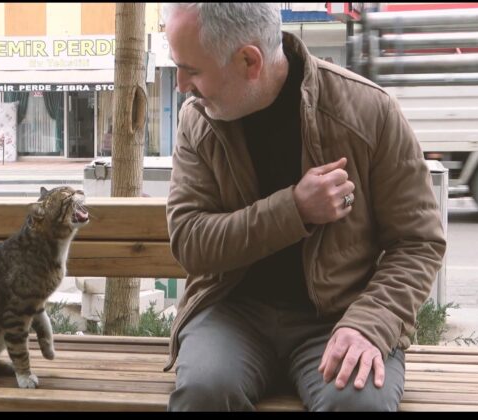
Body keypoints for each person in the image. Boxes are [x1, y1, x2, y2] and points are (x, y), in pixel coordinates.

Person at [161, 3, 446, 412]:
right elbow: (190, 242)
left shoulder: (368, 111)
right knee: (205, 392)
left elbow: (418, 242)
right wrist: (294, 210)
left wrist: (370, 324)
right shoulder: (198, 121)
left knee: (356, 405)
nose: (181, 85)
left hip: (339, 317)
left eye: (192, 70)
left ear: (248, 60)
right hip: (232, 314)